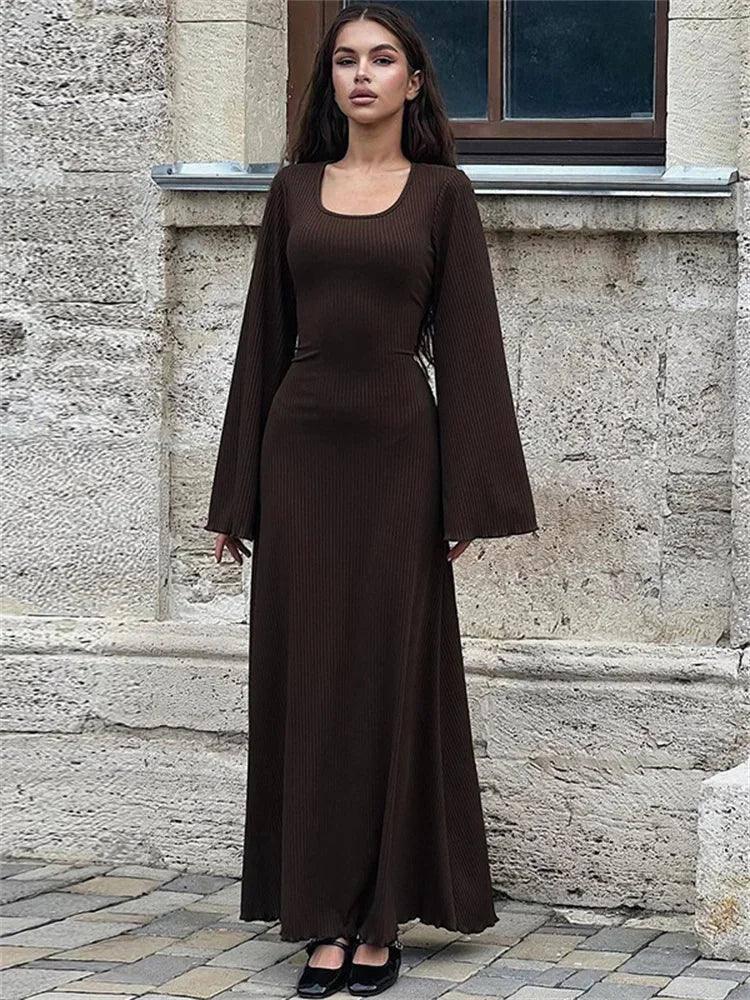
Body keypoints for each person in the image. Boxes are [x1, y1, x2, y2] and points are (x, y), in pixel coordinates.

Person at [203, 3, 539, 996]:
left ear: (413, 81)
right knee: (308, 682)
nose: (361, 74)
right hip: (300, 453)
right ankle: (320, 918)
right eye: (346, 59)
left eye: (382, 59)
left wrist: (466, 497)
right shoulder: (292, 190)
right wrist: (236, 497)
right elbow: (262, 339)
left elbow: (470, 343)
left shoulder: (442, 194)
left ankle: (381, 918)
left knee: (389, 680)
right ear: (331, 82)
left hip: (400, 454)